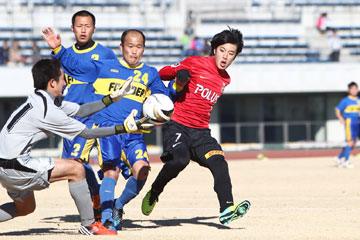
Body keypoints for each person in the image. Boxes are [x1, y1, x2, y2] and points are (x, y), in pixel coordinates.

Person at [41, 27, 183, 231]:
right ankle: (106, 219)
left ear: (144, 49)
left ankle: (118, 205)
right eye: (130, 46)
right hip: (109, 129)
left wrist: (177, 86)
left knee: (142, 171)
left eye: (139, 47)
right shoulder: (104, 66)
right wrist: (58, 49)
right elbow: (77, 67)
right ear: (122, 47)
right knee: (111, 172)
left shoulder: (150, 73)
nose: (134, 51)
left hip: (134, 133)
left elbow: (163, 99)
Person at [0, 58, 152, 235]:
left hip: (6, 165)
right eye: (63, 78)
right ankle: (90, 225)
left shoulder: (41, 100)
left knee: (25, 208)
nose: (66, 82)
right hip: (15, 166)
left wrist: (112, 98)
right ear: (52, 83)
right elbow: (87, 133)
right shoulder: (47, 110)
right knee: (76, 169)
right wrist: (123, 128)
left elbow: (80, 111)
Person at [141, 27, 251, 226]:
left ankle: (226, 209)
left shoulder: (225, 79)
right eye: (223, 50)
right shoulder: (194, 62)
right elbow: (161, 74)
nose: (226, 56)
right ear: (215, 49)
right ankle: (155, 191)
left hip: (201, 133)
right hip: (177, 126)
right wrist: (179, 72)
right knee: (180, 161)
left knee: (219, 162)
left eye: (231, 53)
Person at [60, 10, 118, 222]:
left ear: (94, 28)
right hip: (70, 117)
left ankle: (104, 207)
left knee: (102, 164)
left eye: (87, 26)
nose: (83, 30)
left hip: (95, 116)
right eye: (79, 26)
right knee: (72, 166)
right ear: (72, 28)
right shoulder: (63, 56)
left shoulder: (105, 54)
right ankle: (96, 196)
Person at [334, 82, 360, 168]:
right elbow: (337, 110)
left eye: (355, 88)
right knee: (350, 142)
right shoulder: (345, 100)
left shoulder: (358, 100)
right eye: (352, 89)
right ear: (349, 90)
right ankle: (346, 161)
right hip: (350, 122)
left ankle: (338, 158)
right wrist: (340, 118)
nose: (354, 90)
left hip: (357, 122)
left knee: (353, 143)